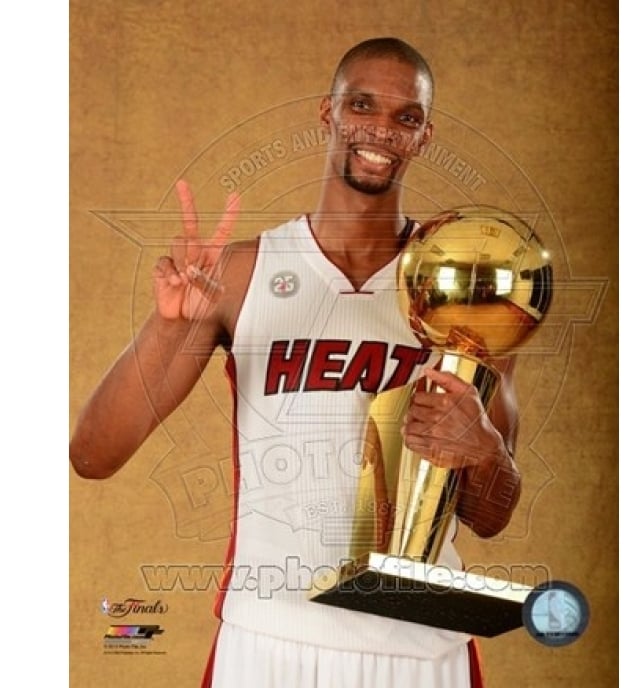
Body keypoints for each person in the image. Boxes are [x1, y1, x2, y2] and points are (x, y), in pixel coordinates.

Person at [70, 37, 521, 688]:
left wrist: (482, 451)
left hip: (418, 650)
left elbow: (493, 513)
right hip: (267, 640)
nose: (380, 131)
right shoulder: (243, 271)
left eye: (406, 117)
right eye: (361, 105)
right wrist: (170, 328)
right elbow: (93, 455)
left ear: (424, 137)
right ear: (328, 113)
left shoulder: (464, 287)